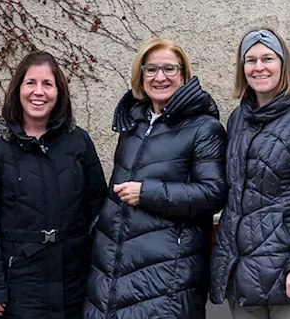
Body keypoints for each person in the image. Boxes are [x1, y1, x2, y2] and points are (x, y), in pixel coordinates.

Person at [84, 38, 227, 319]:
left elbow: (213, 194)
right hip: (112, 270)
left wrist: (147, 193)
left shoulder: (204, 128)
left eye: (169, 69)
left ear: (183, 75)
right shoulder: (132, 125)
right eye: (151, 70)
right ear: (141, 76)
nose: (159, 77)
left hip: (166, 276)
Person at [0, 51, 107, 318]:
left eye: (47, 84)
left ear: (59, 92)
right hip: (17, 287)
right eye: (30, 83)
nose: (38, 92)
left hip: (74, 285)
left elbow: (98, 212)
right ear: (18, 88)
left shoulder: (78, 142)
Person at [210, 27, 290, 319]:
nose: (259, 67)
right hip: (244, 273)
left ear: (283, 64)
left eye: (267, 58)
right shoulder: (238, 119)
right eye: (250, 60)